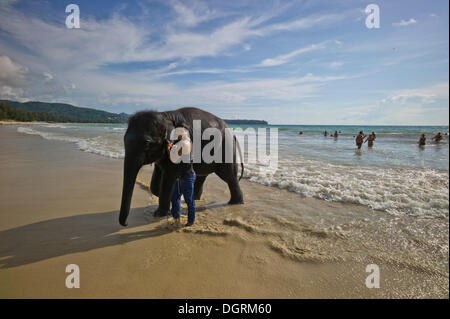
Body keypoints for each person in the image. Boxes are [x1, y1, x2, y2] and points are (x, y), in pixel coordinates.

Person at [167, 127, 196, 227]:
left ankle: (191, 221)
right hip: (179, 177)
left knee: (189, 200)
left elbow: (174, 159)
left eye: (178, 133)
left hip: (187, 177)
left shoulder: (185, 143)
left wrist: (169, 149)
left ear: (184, 134)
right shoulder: (182, 142)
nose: (176, 135)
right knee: (174, 198)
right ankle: (176, 218)